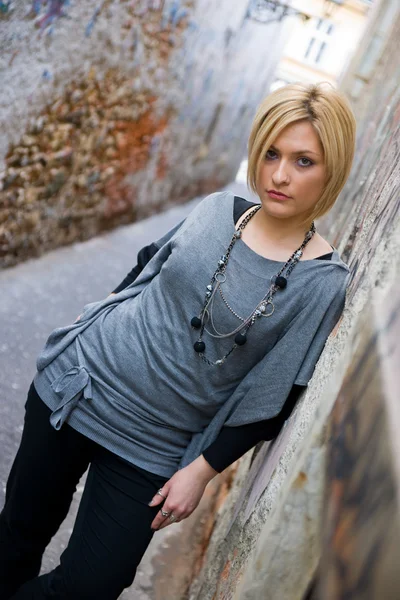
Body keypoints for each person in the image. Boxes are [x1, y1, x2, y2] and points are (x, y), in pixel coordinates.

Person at [0, 81, 356, 599]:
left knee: (93, 583)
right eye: (272, 154)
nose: (279, 175)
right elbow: (149, 261)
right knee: (17, 535)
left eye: (305, 162)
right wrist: (90, 321)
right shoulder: (216, 208)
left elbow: (273, 396)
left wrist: (204, 471)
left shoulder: (322, 282)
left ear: (333, 170)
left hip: (155, 444)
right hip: (78, 387)